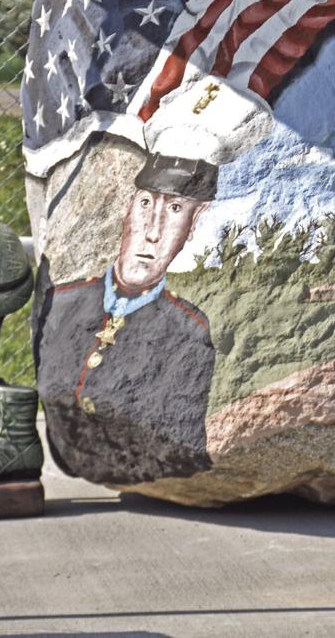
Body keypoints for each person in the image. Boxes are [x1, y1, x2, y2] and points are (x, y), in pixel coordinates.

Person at [34, 153, 218, 485]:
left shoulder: (189, 330)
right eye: (146, 204)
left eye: (175, 210)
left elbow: (181, 452)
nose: (152, 232)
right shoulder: (61, 303)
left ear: (195, 224)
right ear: (126, 209)